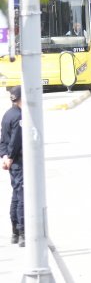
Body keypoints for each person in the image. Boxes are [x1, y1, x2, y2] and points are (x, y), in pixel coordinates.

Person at [0, 86, 23, 247]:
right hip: (19, 161)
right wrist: (11, 157)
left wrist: (5, 156)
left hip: (11, 161)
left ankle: (15, 232)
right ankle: (23, 232)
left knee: (16, 194)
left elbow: (2, 139)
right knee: (22, 196)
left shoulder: (7, 114)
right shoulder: (20, 116)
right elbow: (15, 140)